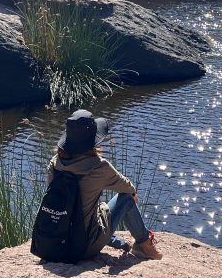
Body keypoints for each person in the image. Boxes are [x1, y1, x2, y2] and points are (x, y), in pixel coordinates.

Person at [48, 109, 163, 260]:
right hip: (84, 246)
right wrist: (132, 194)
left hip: (56, 241)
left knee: (88, 210)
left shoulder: (54, 163)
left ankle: (117, 241)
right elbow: (128, 187)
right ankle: (143, 244)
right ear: (92, 141)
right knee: (126, 198)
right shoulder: (98, 166)